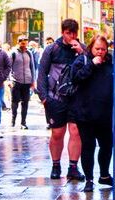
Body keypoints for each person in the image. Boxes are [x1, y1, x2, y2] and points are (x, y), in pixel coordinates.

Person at [36, 18, 85, 180]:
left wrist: (82, 52)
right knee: (57, 133)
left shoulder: (82, 49)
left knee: (76, 131)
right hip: (55, 98)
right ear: (63, 32)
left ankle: (73, 166)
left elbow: (91, 67)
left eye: (73, 33)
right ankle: (55, 165)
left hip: (76, 97)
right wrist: (44, 97)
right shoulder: (52, 49)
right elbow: (41, 73)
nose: (71, 36)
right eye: (67, 33)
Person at [68, 35, 114, 192]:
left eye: (103, 49)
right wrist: (92, 65)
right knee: (88, 146)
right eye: (97, 49)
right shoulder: (83, 60)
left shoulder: (111, 62)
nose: (100, 52)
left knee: (107, 145)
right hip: (85, 113)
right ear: (91, 48)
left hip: (105, 113)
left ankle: (104, 174)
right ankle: (89, 179)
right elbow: (75, 78)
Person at [9, 35, 37, 129]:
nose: (23, 42)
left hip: (27, 82)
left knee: (25, 102)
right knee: (15, 102)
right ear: (18, 42)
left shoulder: (29, 53)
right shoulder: (13, 53)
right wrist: (10, 80)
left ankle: (23, 122)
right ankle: (13, 120)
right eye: (21, 41)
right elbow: (9, 67)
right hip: (16, 81)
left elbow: (32, 67)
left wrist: (33, 81)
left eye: (25, 41)